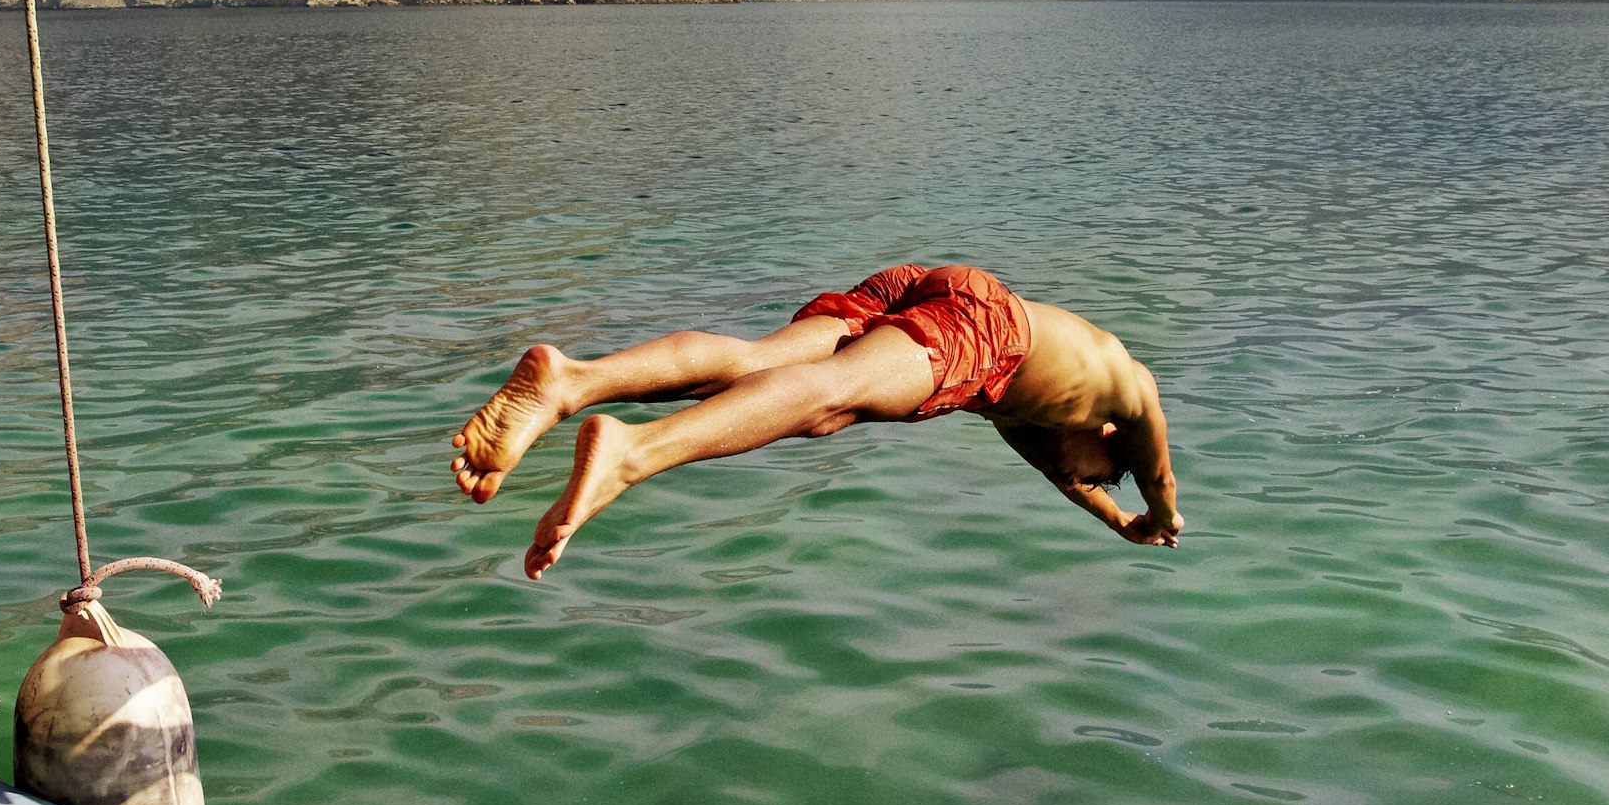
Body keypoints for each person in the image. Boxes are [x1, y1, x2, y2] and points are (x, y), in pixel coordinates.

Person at [451, 264, 1181, 578]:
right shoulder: (1126, 391)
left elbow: (1065, 477)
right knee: (830, 395)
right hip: (985, 323)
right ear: (1106, 438)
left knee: (758, 367)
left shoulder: (1033, 413)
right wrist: (1160, 514)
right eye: (1090, 469)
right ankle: (632, 452)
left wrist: (1114, 522)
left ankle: (574, 380)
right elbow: (1157, 465)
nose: (1072, 474)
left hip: (925, 292)